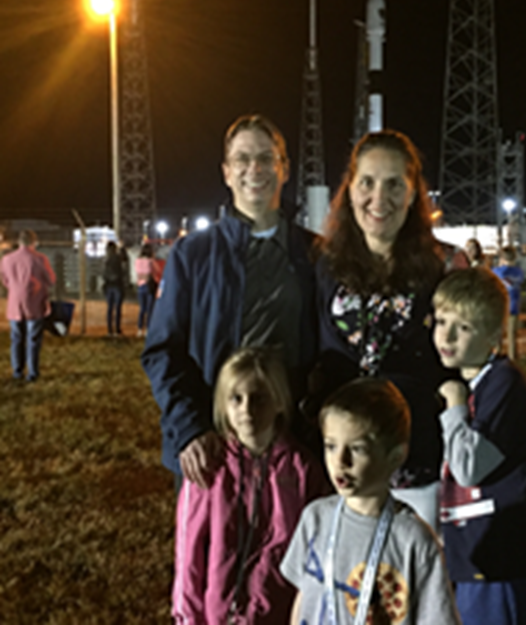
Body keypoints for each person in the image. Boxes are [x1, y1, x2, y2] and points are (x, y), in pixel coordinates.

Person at [142, 114, 317, 494]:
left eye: (266, 158)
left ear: (284, 169)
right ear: (226, 172)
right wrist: (190, 429)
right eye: (242, 159)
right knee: (213, 553)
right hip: (213, 445)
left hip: (292, 447)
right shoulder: (193, 254)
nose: (254, 168)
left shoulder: (314, 254)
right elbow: (161, 351)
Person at [312, 129, 451, 530]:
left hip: (413, 464)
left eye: (394, 184)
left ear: (412, 194)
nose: (379, 198)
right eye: (367, 183)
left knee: (409, 585)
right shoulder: (322, 266)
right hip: (340, 466)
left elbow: (465, 359)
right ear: (350, 188)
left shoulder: (437, 268)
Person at [433, 268, 526, 625]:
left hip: (508, 559)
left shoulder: (502, 383)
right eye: (441, 320)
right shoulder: (476, 381)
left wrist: (454, 406)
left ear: (494, 334)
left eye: (463, 327)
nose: (445, 336)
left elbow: (469, 467)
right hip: (480, 556)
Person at [281, 377, 461, 625]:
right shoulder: (315, 518)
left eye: (357, 449)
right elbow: (304, 598)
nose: (340, 461)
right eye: (331, 446)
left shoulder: (413, 539)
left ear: (396, 456)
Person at [172, 347, 327, 624]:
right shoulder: (210, 469)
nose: (247, 410)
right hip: (217, 615)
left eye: (259, 399)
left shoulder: (303, 470)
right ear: (223, 404)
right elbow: (189, 552)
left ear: (279, 402)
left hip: (279, 616)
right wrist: (187, 617)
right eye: (236, 399)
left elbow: (318, 554)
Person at [0, 229, 56, 382]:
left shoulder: (6, 259)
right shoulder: (39, 259)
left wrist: (14, 286)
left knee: (16, 338)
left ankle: (17, 371)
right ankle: (32, 372)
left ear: (19, 242)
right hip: (34, 303)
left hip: (14, 303)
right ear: (33, 242)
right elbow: (51, 280)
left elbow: (4, 280)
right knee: (33, 338)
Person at [492, 246, 525, 360]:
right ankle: (512, 358)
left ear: (502, 258)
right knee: (512, 335)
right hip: (514, 305)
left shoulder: (497, 271)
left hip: (499, 306)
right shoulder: (519, 272)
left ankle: (496, 356)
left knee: (497, 335)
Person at [102, 241, 126, 336]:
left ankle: (109, 330)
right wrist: (122, 248)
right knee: (118, 308)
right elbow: (124, 259)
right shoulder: (117, 258)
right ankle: (117, 329)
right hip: (117, 284)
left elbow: (103, 273)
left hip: (108, 285)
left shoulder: (105, 259)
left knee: (110, 308)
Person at [134, 242, 157, 336]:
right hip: (149, 286)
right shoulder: (151, 261)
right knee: (149, 309)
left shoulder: (138, 261)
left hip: (140, 285)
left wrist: (142, 277)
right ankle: (148, 329)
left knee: (142, 309)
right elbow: (153, 272)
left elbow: (138, 274)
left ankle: (139, 329)